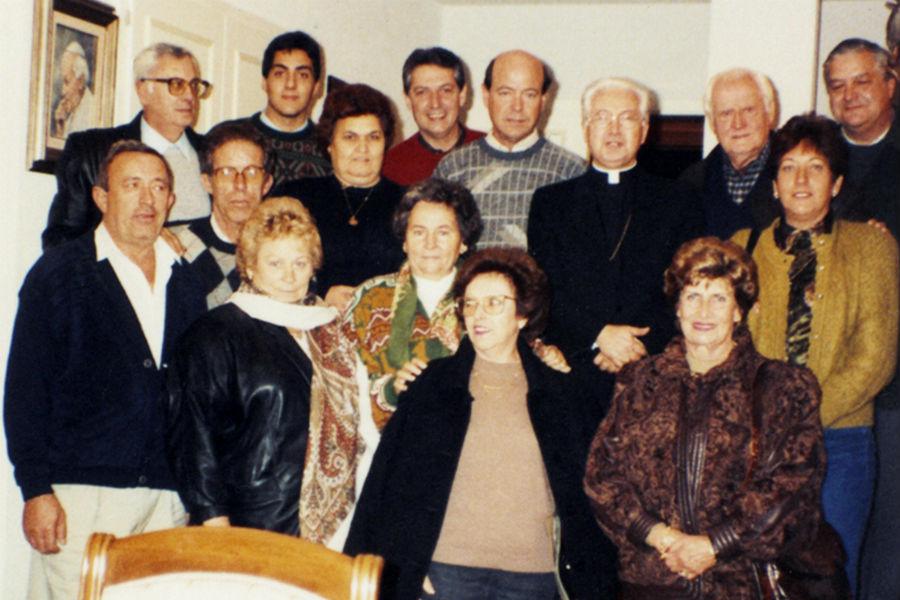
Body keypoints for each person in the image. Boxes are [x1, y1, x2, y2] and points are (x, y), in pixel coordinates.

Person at [346, 247, 617, 600]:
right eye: (470, 304)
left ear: (522, 315)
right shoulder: (431, 383)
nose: (478, 314)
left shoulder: (560, 393)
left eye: (494, 303)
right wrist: (407, 566)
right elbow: (392, 484)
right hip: (446, 572)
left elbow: (587, 496)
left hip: (533, 576)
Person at [4, 140, 206, 600]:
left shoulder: (186, 280)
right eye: (132, 185)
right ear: (101, 197)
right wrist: (35, 489)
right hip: (81, 500)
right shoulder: (60, 274)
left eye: (159, 187)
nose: (147, 199)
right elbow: (25, 390)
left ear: (172, 200)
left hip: (167, 500)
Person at [584, 236, 827, 599]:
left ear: (738, 311)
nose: (704, 311)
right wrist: (661, 537)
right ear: (678, 307)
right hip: (652, 580)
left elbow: (792, 486)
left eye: (719, 298)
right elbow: (602, 475)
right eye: (693, 296)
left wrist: (715, 544)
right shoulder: (639, 381)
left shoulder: (785, 387)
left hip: (741, 582)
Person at [732, 114, 899, 594]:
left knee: (830, 578)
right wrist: (764, 425)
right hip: (755, 446)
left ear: (837, 182)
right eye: (788, 167)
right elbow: (729, 350)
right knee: (754, 578)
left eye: (815, 167)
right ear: (774, 184)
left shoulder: (873, 247)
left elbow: (876, 357)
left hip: (840, 443)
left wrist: (799, 418)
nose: (801, 180)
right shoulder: (741, 250)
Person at [166, 197, 377, 551]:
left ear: (314, 266)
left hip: (339, 529)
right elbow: (193, 439)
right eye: (275, 262)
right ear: (250, 266)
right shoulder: (215, 334)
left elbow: (364, 434)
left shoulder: (332, 332)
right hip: (251, 526)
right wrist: (215, 524)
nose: (289, 275)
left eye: (300, 262)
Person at [529, 77, 701, 438]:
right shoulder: (551, 203)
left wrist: (637, 345)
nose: (613, 129)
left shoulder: (678, 200)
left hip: (652, 373)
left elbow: (684, 290)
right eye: (602, 117)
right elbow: (544, 288)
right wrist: (599, 335)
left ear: (644, 129)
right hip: (573, 370)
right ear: (585, 127)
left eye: (626, 118)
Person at [823, 37, 900, 600]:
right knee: (830, 534)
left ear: (890, 84)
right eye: (837, 85)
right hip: (829, 378)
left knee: (890, 529)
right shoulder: (818, 155)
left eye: (862, 81)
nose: (850, 95)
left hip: (895, 381)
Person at [43, 43, 211, 249]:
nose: (189, 96)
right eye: (176, 84)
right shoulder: (91, 151)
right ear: (143, 90)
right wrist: (141, 240)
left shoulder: (213, 151)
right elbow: (60, 241)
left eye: (194, 85)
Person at [345, 178, 483, 429]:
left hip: (471, 435)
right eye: (419, 232)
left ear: (463, 241)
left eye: (443, 232)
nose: (430, 244)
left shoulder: (484, 297)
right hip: (388, 440)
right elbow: (342, 381)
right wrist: (390, 390)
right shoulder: (370, 298)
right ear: (405, 241)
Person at [272, 83, 405, 311]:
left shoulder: (408, 203)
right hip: (304, 320)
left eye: (373, 137)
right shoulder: (295, 197)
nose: (362, 148)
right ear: (330, 144)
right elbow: (267, 267)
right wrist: (320, 293)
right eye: (350, 137)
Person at [434, 50, 584, 248]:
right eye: (505, 93)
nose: (517, 107)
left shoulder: (571, 170)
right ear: (486, 95)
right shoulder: (453, 168)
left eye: (529, 94)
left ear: (543, 100)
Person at [170, 121, 273, 308]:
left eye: (251, 172)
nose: (240, 184)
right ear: (207, 182)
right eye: (226, 172)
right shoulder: (177, 245)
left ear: (266, 184)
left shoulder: (283, 249)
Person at [218, 31, 330, 188]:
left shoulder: (330, 149)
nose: (290, 84)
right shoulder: (226, 137)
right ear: (264, 82)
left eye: (302, 75)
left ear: (317, 87)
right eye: (280, 73)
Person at [679, 68, 781, 238]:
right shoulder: (691, 184)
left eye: (748, 110)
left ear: (770, 112)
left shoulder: (797, 176)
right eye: (726, 114)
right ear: (712, 123)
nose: (738, 124)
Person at [381, 47, 485, 186]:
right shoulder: (390, 167)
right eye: (422, 92)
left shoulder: (490, 151)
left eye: (445, 90)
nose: (435, 103)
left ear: (462, 95)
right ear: (408, 100)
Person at [53, 40, 95, 139]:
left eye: (67, 82)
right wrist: (60, 130)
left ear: (81, 81)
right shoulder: (71, 114)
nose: (63, 91)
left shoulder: (94, 111)